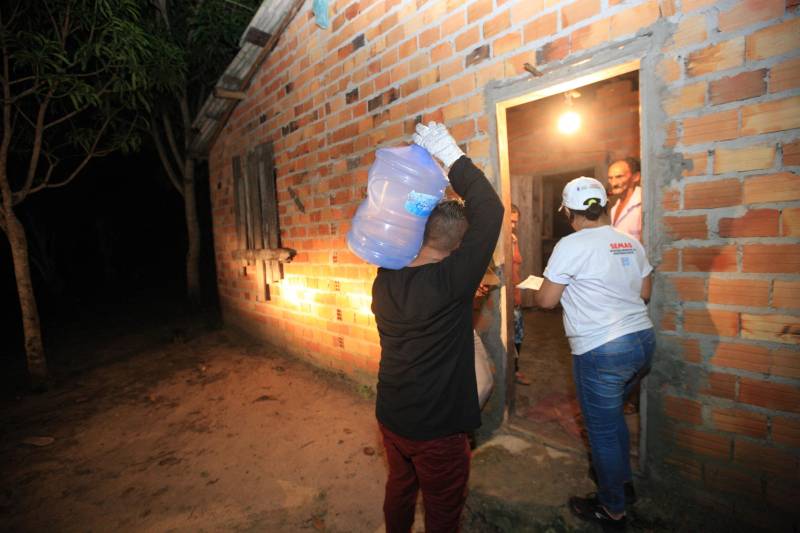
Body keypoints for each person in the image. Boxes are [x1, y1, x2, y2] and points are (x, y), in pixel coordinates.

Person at [372, 122, 504, 532]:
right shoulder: (450, 282)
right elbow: (491, 209)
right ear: (460, 249)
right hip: (437, 430)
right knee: (443, 510)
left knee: (399, 488)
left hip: (392, 416)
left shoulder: (385, 275)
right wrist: (450, 154)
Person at [533, 176, 654, 531]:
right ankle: (622, 483)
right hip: (642, 341)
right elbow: (644, 292)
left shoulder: (571, 245)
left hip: (602, 349)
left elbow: (546, 300)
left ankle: (612, 509)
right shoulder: (630, 241)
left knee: (600, 430)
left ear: (569, 212)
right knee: (614, 417)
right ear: (603, 206)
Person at [510, 204, 531, 385]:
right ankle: (511, 371)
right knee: (512, 336)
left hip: (516, 293)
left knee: (518, 335)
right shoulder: (502, 240)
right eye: (510, 221)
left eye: (515, 222)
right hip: (508, 296)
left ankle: (514, 370)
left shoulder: (513, 238)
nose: (513, 225)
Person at [607, 157, 642, 242]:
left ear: (636, 177)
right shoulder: (613, 209)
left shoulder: (643, 203)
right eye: (610, 178)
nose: (614, 183)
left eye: (619, 177)